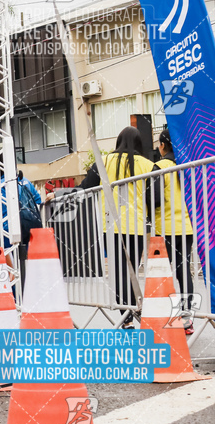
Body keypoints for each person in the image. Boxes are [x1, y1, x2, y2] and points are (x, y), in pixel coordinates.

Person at [79, 126, 154, 327]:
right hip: (136, 227)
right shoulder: (148, 165)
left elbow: (85, 188)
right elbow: (155, 200)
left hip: (109, 226)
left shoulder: (102, 163)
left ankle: (127, 316)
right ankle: (133, 309)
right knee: (131, 271)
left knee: (118, 271)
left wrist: (57, 194)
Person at [152, 128, 196, 335]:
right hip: (186, 228)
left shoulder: (160, 166)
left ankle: (166, 318)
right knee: (183, 270)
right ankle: (188, 318)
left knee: (163, 274)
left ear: (162, 145)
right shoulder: (187, 165)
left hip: (166, 228)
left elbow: (155, 199)